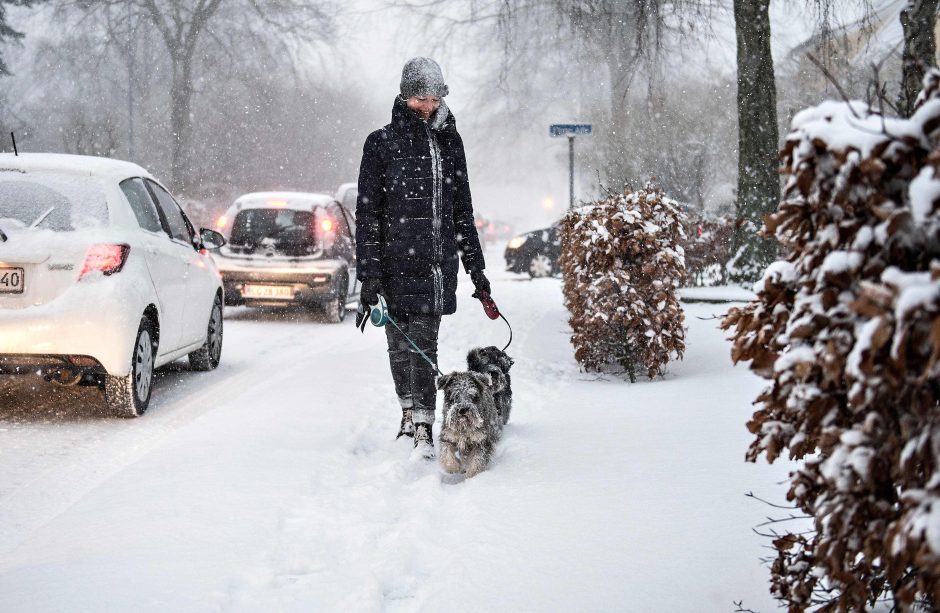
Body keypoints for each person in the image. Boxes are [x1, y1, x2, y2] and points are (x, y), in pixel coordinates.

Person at [355, 57, 490, 459]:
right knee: (398, 345)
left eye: (433, 98)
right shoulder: (380, 143)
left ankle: (424, 427)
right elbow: (368, 213)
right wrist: (369, 275)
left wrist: (477, 272)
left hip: (434, 266)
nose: (426, 106)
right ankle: (407, 413)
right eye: (419, 98)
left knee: (423, 346)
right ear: (404, 96)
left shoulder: (450, 143)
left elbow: (462, 209)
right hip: (394, 266)